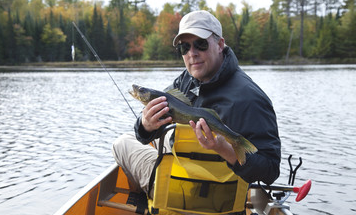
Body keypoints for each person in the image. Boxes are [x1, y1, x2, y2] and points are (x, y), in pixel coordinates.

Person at [112, 10, 281, 198]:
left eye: (200, 44)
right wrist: (145, 126)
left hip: (200, 198)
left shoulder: (251, 99)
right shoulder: (186, 80)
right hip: (189, 176)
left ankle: (156, 203)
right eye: (185, 47)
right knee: (139, 136)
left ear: (220, 44)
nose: (192, 54)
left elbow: (271, 170)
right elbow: (144, 137)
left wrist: (225, 149)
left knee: (122, 144)